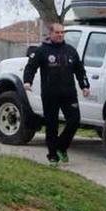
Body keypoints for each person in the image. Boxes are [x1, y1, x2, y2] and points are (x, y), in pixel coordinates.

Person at [23, 23, 90, 166]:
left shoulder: (70, 51)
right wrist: (27, 81)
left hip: (69, 94)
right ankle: (52, 155)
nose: (60, 35)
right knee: (52, 125)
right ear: (51, 34)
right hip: (50, 94)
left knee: (74, 121)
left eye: (62, 32)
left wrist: (84, 85)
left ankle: (61, 147)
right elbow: (31, 67)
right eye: (57, 32)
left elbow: (79, 70)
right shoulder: (42, 51)